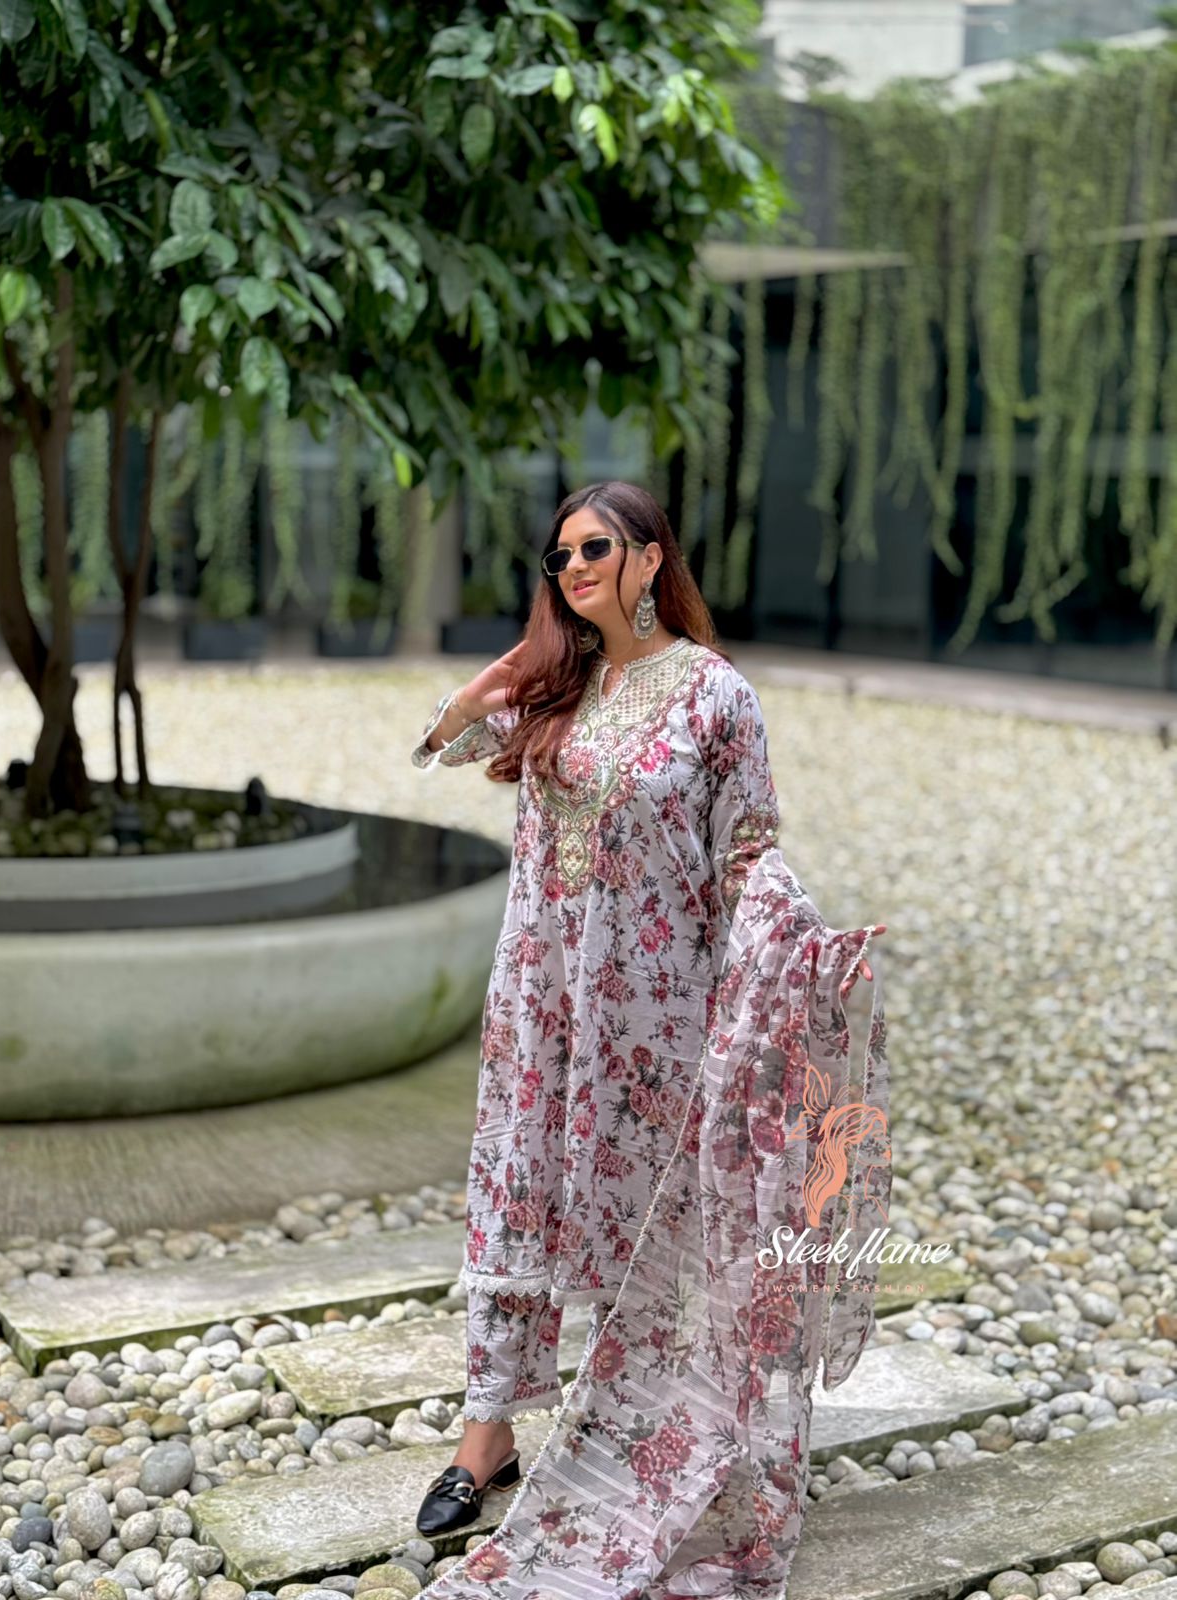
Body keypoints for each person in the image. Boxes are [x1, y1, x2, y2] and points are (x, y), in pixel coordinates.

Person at [409, 481, 889, 1597]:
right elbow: (442, 748)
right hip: (540, 996)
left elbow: (748, 850)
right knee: (520, 1192)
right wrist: (482, 690)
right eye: (559, 556)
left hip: (654, 1008)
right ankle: (487, 1432)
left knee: (646, 1215)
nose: (573, 568)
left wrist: (806, 948)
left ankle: (643, 1419)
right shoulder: (558, 681)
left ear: (650, 557)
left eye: (595, 548)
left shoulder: (716, 695)